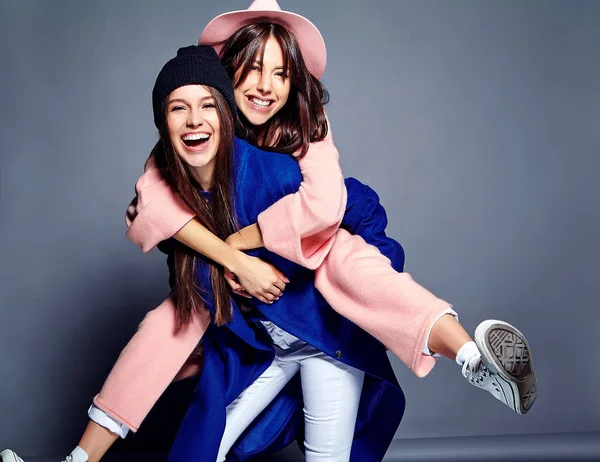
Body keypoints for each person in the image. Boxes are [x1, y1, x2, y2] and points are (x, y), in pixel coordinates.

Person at [1, 1, 537, 461]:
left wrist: (244, 241)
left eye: (280, 73)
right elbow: (153, 208)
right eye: (253, 69)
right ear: (226, 72)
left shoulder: (304, 136)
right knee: (168, 337)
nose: (265, 86)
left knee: (349, 263)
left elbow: (329, 204)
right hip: (262, 333)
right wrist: (233, 260)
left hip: (323, 313)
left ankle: (471, 357)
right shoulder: (196, 133)